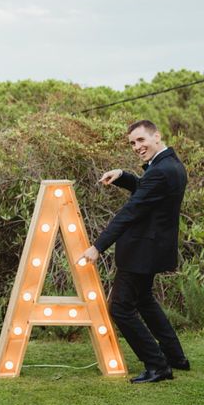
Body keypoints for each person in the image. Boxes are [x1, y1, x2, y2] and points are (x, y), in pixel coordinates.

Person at [80, 119, 189, 384]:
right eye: (132, 143)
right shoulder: (170, 165)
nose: (137, 147)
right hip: (154, 248)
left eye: (141, 140)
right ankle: (175, 357)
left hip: (142, 250)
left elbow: (131, 211)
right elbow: (148, 191)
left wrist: (98, 246)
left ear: (156, 136)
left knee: (120, 308)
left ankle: (157, 365)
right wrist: (124, 176)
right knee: (144, 301)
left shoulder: (160, 171)